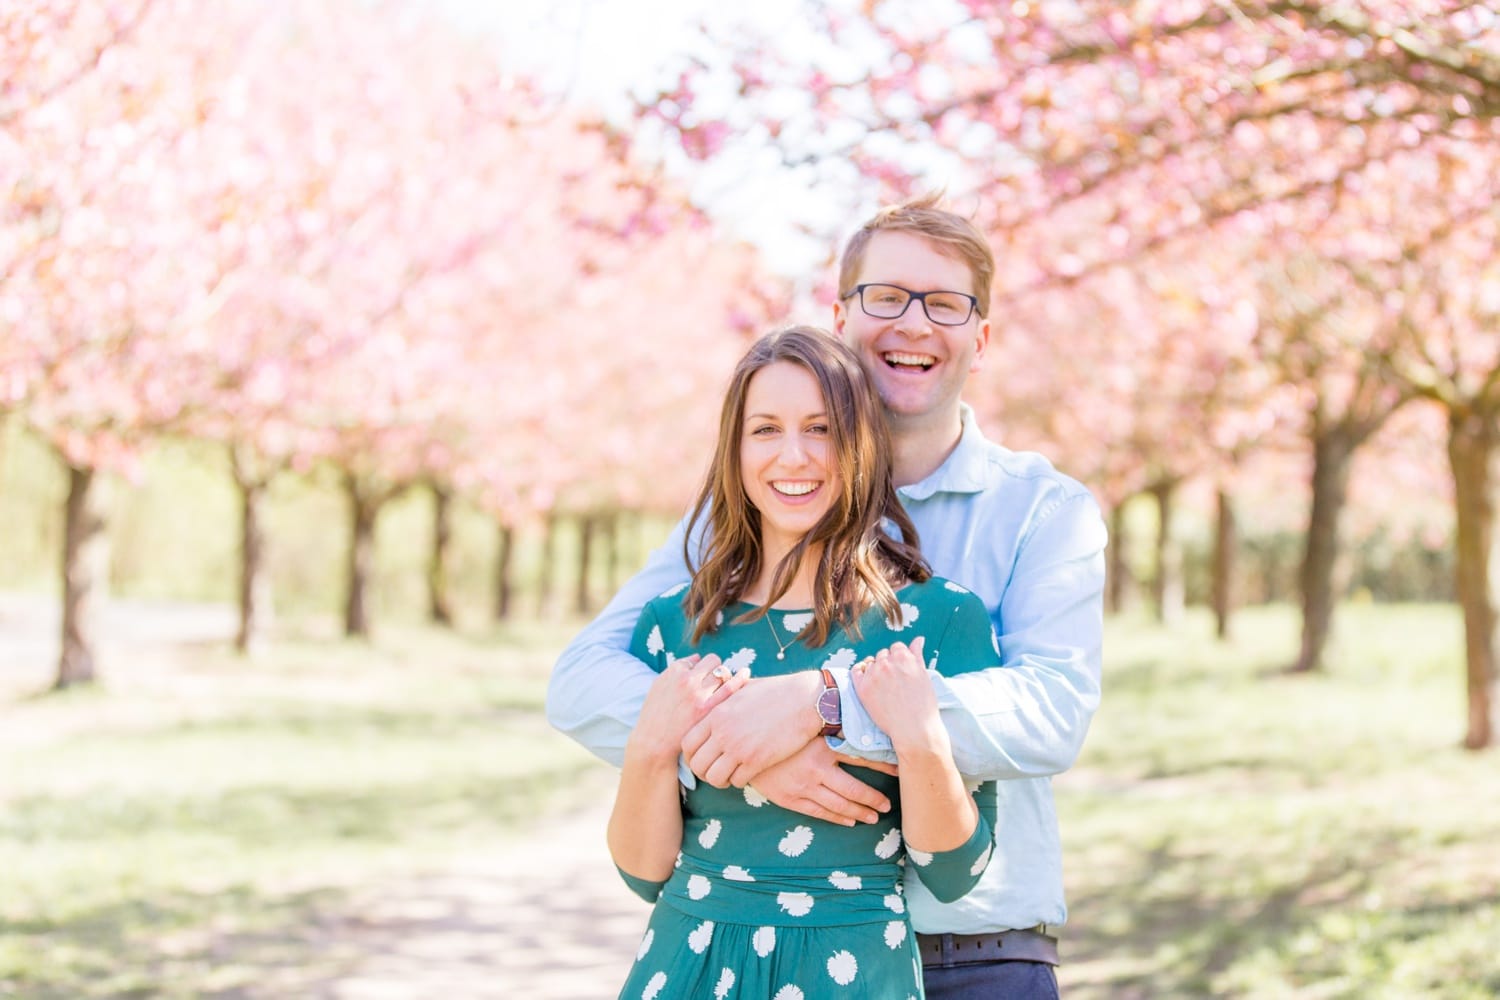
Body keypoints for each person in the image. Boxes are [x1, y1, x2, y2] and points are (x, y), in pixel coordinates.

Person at [550, 195, 1107, 999]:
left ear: (979, 340)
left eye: (944, 304)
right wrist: (746, 750)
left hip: (977, 948)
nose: (912, 324)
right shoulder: (747, 510)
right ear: (841, 317)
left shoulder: (1043, 512)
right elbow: (584, 679)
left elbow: (1052, 712)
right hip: (742, 940)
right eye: (886, 296)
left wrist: (829, 706)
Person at [610, 325, 1002, 998]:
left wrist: (919, 737)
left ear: (861, 444)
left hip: (853, 968)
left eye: (820, 428)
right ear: (734, 451)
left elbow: (954, 871)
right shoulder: (674, 625)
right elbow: (645, 875)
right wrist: (650, 746)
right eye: (765, 430)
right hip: (687, 962)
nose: (794, 456)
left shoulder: (940, 622)